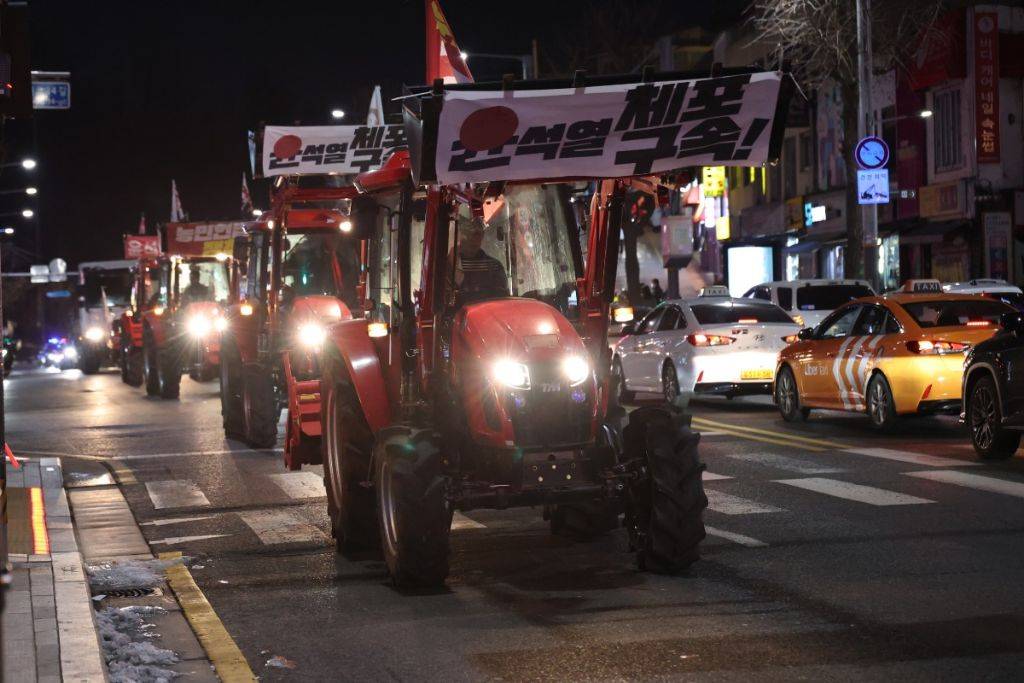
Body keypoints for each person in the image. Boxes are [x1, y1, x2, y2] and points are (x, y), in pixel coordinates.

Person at [450, 216, 507, 305]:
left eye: (477, 234)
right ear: (460, 235)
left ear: (482, 236)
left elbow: (502, 302)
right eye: (468, 233)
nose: (473, 239)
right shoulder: (447, 265)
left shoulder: (494, 267)